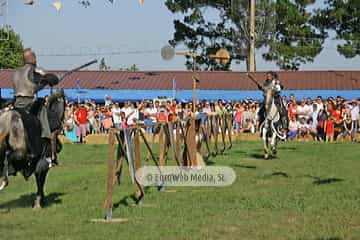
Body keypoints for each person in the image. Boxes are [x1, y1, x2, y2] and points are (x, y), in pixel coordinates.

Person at [12, 49, 59, 166]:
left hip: (16, 103)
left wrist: (42, 84)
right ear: (33, 59)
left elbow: (32, 85)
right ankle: (46, 140)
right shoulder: (34, 70)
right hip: (28, 102)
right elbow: (49, 79)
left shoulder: (17, 72)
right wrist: (51, 80)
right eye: (35, 58)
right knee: (42, 109)